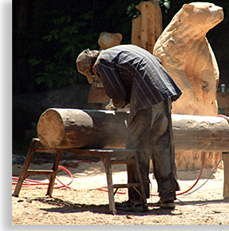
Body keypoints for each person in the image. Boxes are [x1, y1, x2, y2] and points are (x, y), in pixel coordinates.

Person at [76, 45, 182, 211]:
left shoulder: (101, 63)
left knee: (135, 149)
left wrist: (115, 105)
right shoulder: (121, 51)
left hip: (147, 97)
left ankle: (137, 200)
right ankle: (167, 197)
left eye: (95, 76)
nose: (97, 77)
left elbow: (117, 94)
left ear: (92, 69)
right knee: (162, 146)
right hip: (164, 94)